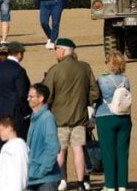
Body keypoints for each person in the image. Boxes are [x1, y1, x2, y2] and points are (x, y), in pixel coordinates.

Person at [42, 38, 98, 191]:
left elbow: (47, 95)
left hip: (59, 117)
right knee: (78, 149)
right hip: (79, 117)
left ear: (62, 50)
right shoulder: (85, 68)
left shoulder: (55, 70)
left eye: (56, 49)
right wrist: (85, 102)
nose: (55, 52)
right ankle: (81, 183)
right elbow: (95, 92)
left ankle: (60, 180)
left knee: (60, 150)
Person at [0, 41, 31, 189]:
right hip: (16, 116)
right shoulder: (19, 70)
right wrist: (23, 113)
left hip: (1, 113)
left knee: (1, 151)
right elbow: (22, 95)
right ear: (19, 54)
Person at [95, 51, 131, 191]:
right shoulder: (125, 79)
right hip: (124, 118)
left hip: (105, 117)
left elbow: (96, 96)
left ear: (110, 63)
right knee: (123, 152)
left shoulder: (102, 79)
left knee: (108, 151)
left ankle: (110, 184)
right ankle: (122, 184)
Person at [26, 83, 62, 191]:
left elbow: (53, 147)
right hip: (32, 177)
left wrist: (43, 170)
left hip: (46, 179)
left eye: (31, 97)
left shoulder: (47, 118)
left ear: (41, 98)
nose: (28, 99)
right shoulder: (34, 117)